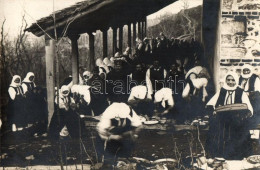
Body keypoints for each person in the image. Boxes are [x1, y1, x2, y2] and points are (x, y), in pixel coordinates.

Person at [206, 71, 253, 159]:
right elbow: (210, 104)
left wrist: (242, 115)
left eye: (233, 80)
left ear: (236, 81)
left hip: (237, 122)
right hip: (223, 122)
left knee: (237, 141)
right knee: (221, 140)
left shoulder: (240, 92)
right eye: (228, 80)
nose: (230, 82)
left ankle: (236, 158)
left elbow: (249, 108)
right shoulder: (222, 91)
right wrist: (214, 111)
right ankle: (221, 157)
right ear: (225, 80)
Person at [96, 102, 142, 168]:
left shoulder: (129, 111)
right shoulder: (108, 114)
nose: (122, 120)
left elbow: (139, 126)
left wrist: (133, 134)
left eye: (124, 118)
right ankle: (108, 163)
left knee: (125, 160)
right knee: (109, 161)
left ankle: (124, 162)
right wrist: (111, 137)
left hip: (124, 137)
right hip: (110, 138)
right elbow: (101, 131)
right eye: (120, 118)